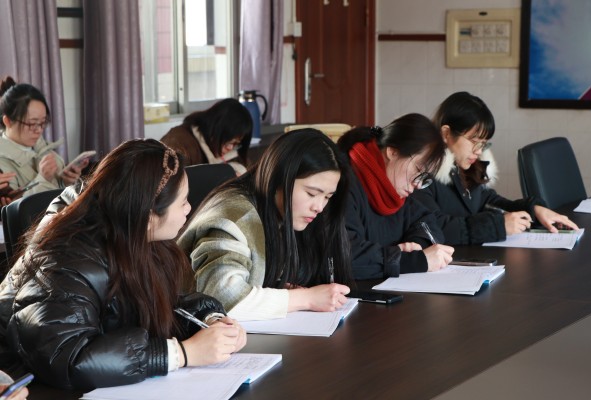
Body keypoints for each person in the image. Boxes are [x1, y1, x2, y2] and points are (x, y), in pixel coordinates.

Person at [0, 139, 246, 391]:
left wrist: (210, 320)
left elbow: (161, 302)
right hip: (27, 387)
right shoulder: (65, 261)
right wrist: (181, 353)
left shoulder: (130, 229)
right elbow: (70, 358)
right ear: (148, 214)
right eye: (182, 202)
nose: (189, 208)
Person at [178, 129, 354, 321]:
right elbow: (222, 298)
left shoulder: (274, 212)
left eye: (327, 197)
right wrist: (306, 299)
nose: (319, 207)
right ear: (279, 178)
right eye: (311, 193)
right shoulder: (236, 217)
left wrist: (277, 288)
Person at [411, 91, 579, 245]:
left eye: (483, 143)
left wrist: (533, 210)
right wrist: (498, 226)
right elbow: (433, 227)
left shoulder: (467, 167)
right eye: (474, 141)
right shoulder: (421, 175)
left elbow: (487, 201)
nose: (478, 151)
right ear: (446, 133)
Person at [336, 113, 455, 280]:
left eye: (424, 178)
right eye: (418, 170)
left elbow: (428, 224)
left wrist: (417, 245)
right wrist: (413, 260)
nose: (418, 185)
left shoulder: (396, 191)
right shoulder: (341, 184)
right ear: (392, 152)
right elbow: (345, 256)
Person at [0, 77, 88, 198]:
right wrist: (43, 179)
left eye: (42, 122)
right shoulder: (2, 163)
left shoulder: (43, 148)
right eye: (32, 123)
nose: (39, 130)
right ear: (8, 121)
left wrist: (65, 182)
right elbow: (13, 207)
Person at [160, 98, 253, 175]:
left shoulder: (234, 153)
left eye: (236, 144)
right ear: (215, 129)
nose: (230, 148)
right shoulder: (178, 145)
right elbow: (169, 185)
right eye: (229, 142)